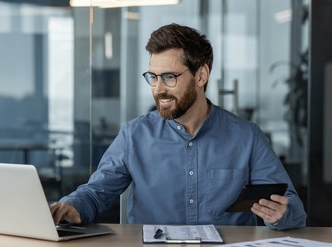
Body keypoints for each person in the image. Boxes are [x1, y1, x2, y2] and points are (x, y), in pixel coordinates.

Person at [51, 23, 307, 230]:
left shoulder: (246, 137)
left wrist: (281, 213)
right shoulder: (134, 135)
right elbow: (96, 193)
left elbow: (293, 208)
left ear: (201, 75)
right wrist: (69, 207)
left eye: (170, 77)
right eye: (153, 77)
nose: (159, 89)